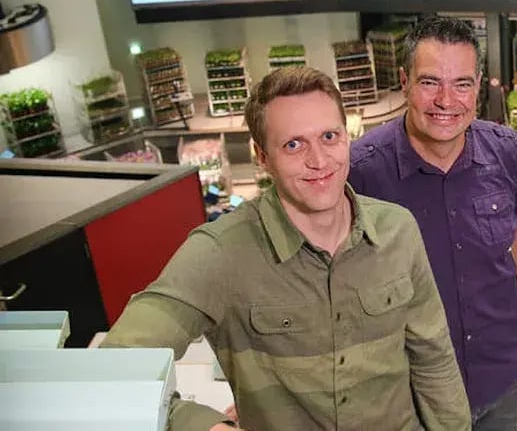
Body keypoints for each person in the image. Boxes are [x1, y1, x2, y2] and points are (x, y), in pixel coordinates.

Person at [103, 67, 469, 431]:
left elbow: (434, 357)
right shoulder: (219, 253)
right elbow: (114, 372)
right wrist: (204, 425)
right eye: (293, 144)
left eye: (329, 136)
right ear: (262, 156)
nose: (319, 160)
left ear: (347, 137)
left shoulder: (398, 230)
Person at [349, 16, 517, 431]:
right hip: (411, 395)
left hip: (503, 383)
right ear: (404, 81)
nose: (446, 100)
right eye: (429, 82)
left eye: (461, 83)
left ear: (478, 86)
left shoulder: (506, 151)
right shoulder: (362, 170)